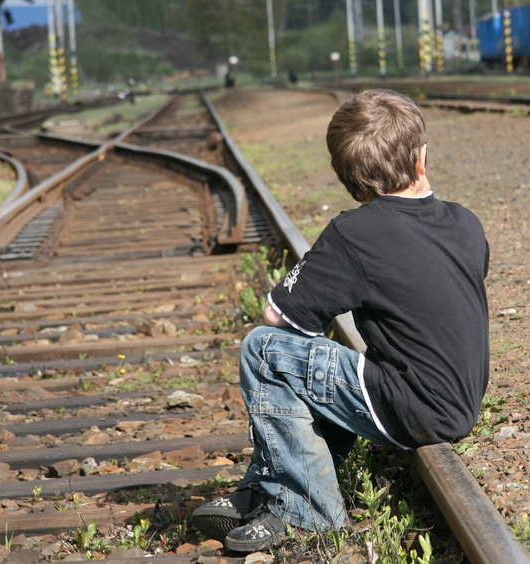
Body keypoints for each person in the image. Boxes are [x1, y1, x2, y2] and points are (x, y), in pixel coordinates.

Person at [191, 88, 490, 553]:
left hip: (411, 405)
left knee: (263, 350)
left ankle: (307, 512)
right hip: (461, 400)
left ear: (349, 181)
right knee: (329, 363)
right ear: (422, 159)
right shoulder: (466, 222)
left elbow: (277, 315)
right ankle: (266, 487)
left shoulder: (355, 233)